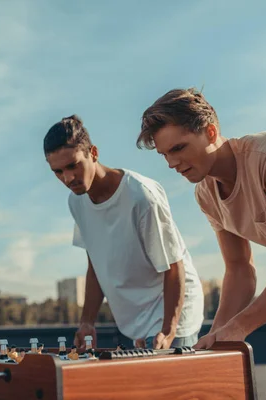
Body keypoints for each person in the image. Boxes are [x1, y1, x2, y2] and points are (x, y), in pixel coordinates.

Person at [137, 88, 266, 400]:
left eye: (179, 148)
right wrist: (216, 337)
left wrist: (239, 327)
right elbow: (241, 271)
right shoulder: (206, 194)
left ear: (210, 132)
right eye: (165, 155)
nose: (172, 162)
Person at [44, 115, 204, 352]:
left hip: (172, 318)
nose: (67, 178)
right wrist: (87, 322)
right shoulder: (77, 203)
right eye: (58, 171)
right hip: (133, 323)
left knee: (166, 389)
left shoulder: (141, 196)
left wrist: (169, 330)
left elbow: (173, 265)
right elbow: (96, 264)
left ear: (93, 153)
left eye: (73, 165)